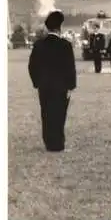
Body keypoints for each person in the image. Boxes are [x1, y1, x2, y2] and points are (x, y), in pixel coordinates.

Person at [28, 10, 76, 152]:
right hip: (60, 87)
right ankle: (58, 143)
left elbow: (32, 66)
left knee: (46, 113)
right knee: (59, 114)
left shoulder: (39, 45)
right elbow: (70, 67)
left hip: (44, 86)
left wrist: (37, 82)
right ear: (59, 28)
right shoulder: (65, 45)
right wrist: (71, 85)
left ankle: (48, 142)